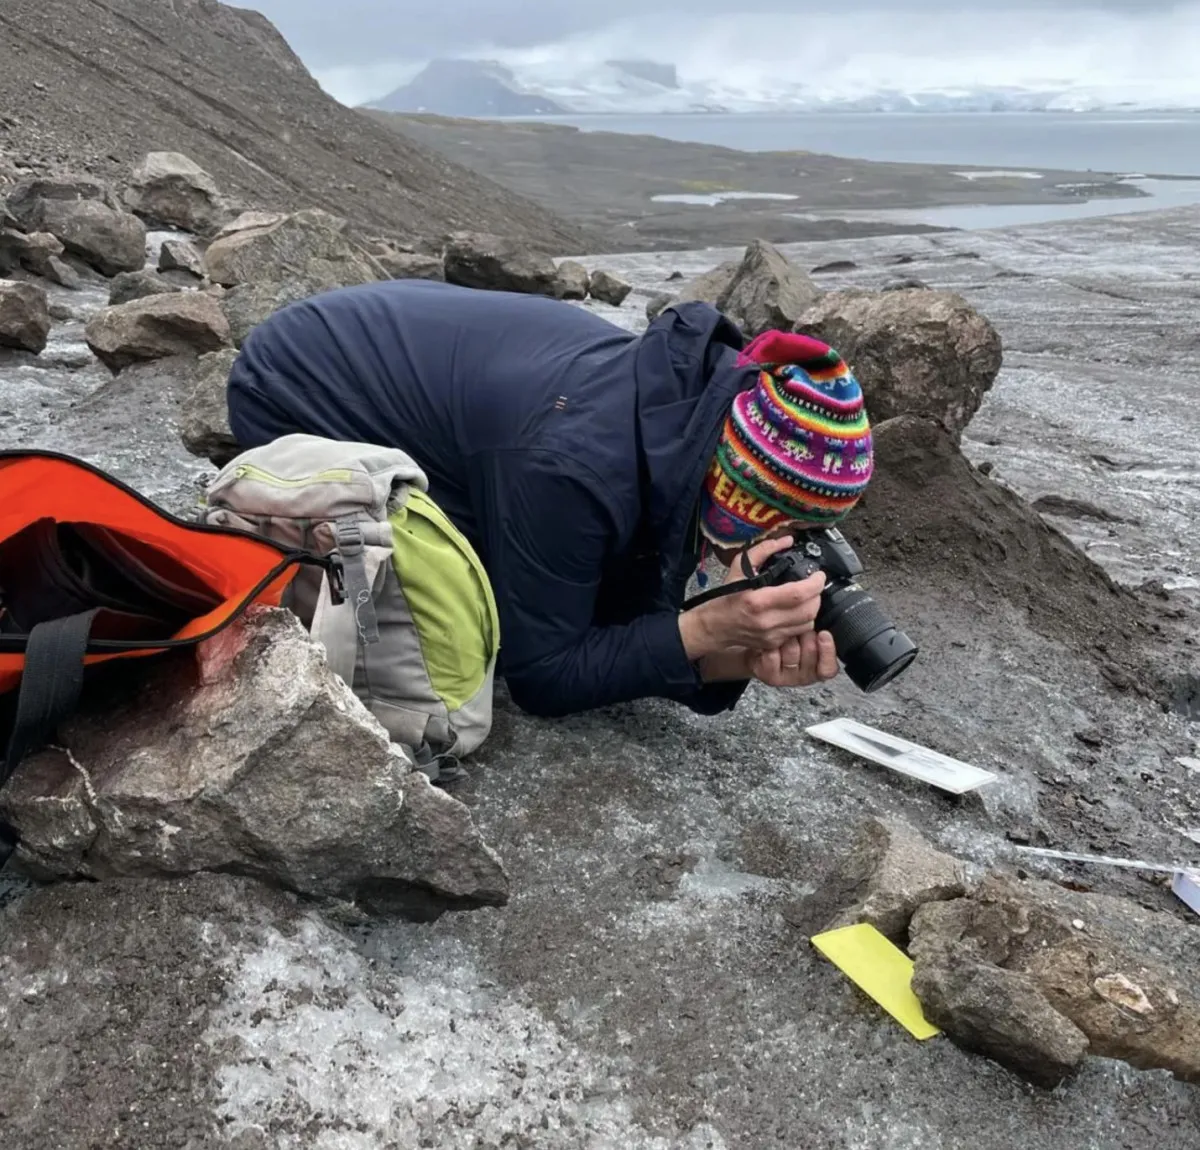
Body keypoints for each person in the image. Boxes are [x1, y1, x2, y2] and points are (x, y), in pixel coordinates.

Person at [225, 278, 873, 719]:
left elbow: (633, 619)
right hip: (293, 383)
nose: (788, 549)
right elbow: (543, 675)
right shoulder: (574, 467)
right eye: (782, 528)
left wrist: (734, 658)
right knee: (466, 600)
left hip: (410, 355)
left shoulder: (687, 414)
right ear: (737, 494)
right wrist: (707, 628)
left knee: (589, 587)